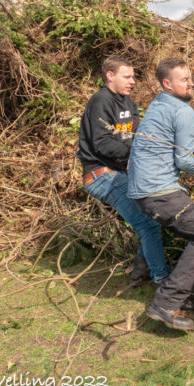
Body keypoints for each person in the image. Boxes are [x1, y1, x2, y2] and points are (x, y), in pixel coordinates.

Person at [127, 57, 194, 331]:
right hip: (159, 190)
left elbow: (169, 145)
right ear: (167, 83)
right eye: (184, 79)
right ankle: (165, 304)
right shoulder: (183, 112)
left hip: (144, 190)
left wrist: (193, 151)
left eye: (190, 78)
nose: (191, 83)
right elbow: (184, 162)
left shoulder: (158, 105)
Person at [77, 55, 170, 286]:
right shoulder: (101, 101)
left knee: (155, 219)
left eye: (134, 76)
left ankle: (141, 269)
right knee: (147, 223)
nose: (133, 81)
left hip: (119, 173)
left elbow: (139, 135)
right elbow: (102, 144)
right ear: (110, 76)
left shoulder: (128, 103)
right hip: (100, 175)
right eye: (127, 76)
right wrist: (140, 151)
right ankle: (163, 280)